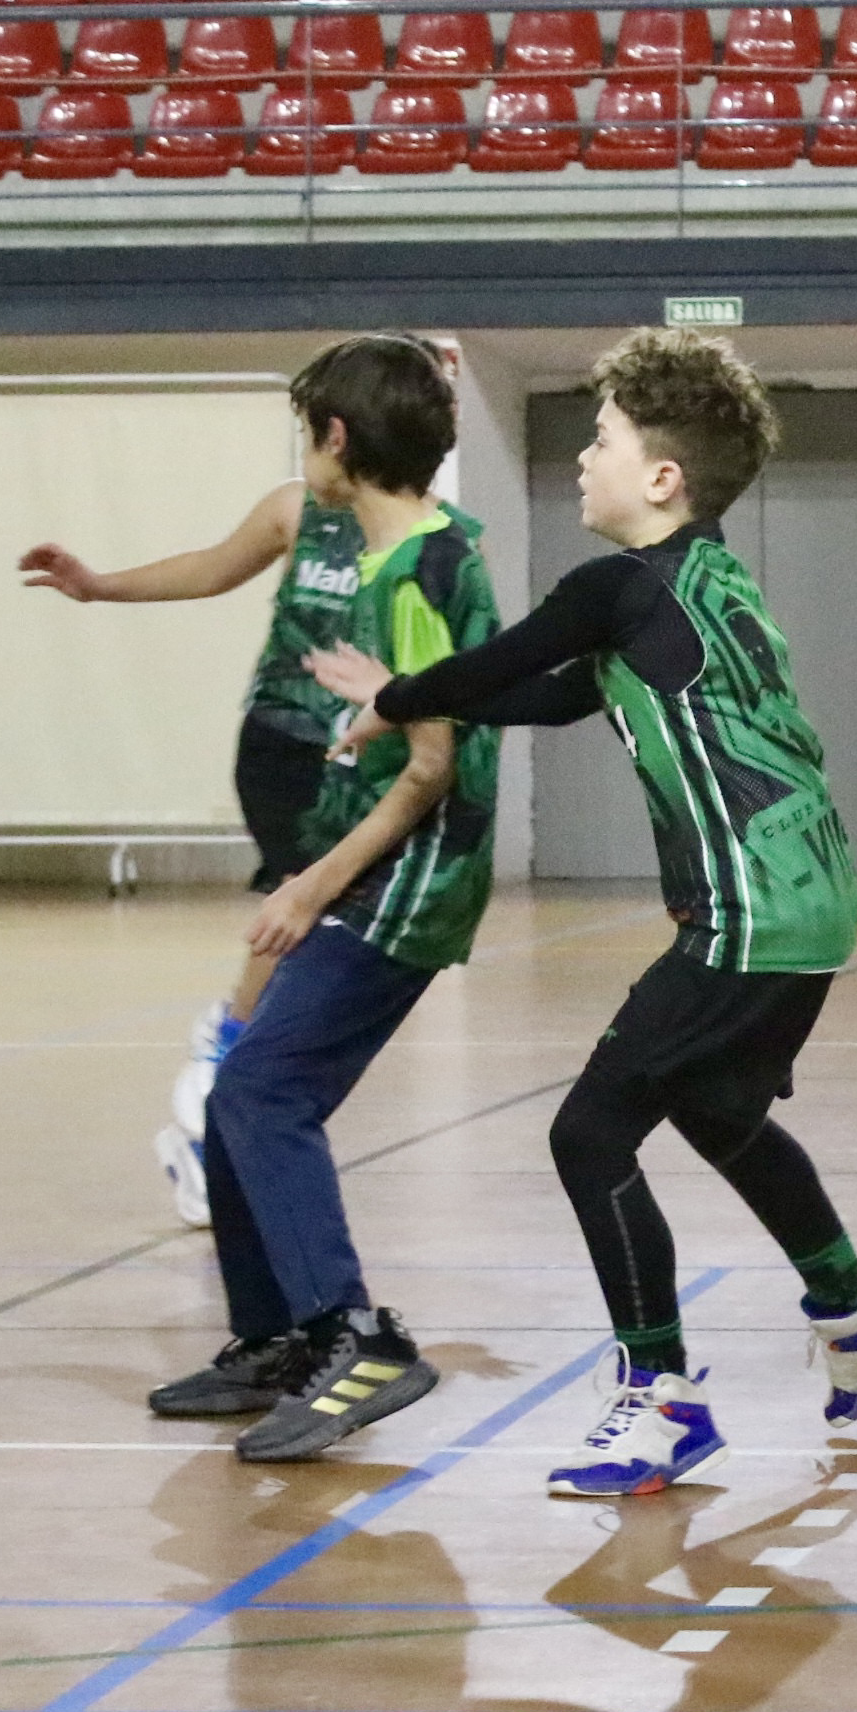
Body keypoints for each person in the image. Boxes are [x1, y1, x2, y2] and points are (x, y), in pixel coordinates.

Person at [310, 328, 857, 1498]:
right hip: (811, 896)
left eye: (600, 441)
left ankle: (662, 1401)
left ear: (662, 479)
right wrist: (409, 699)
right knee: (716, 1111)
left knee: (588, 1135)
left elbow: (503, 660)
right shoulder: (700, 586)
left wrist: (393, 696)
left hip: (749, 905)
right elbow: (551, 693)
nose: (582, 460)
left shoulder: (617, 587)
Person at [60, 341, 501, 1461]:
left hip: (408, 873)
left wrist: (313, 880)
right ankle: (273, 1339)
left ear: (336, 442)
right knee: (235, 1094)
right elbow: (429, 713)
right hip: (374, 850)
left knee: (262, 1093)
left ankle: (357, 1334)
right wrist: (381, 709)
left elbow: (434, 768)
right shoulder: (430, 548)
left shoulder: (411, 571)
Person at [17, 373, 384, 1232]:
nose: (303, 454)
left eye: (308, 436)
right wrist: (100, 584)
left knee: (333, 929)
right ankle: (219, 1067)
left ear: (342, 435)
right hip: (284, 746)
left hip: (368, 750)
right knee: (300, 898)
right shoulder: (296, 511)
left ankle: (231, 1063)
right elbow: (212, 569)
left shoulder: (434, 541)